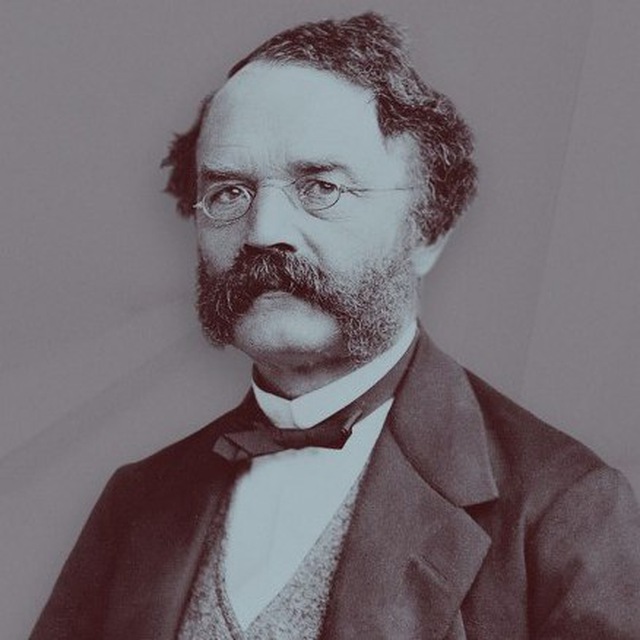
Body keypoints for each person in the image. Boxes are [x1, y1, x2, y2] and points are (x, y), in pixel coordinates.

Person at [31, 12, 640, 639]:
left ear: (426, 230)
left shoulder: (564, 509)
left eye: (321, 187)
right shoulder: (137, 503)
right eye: (229, 193)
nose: (264, 232)